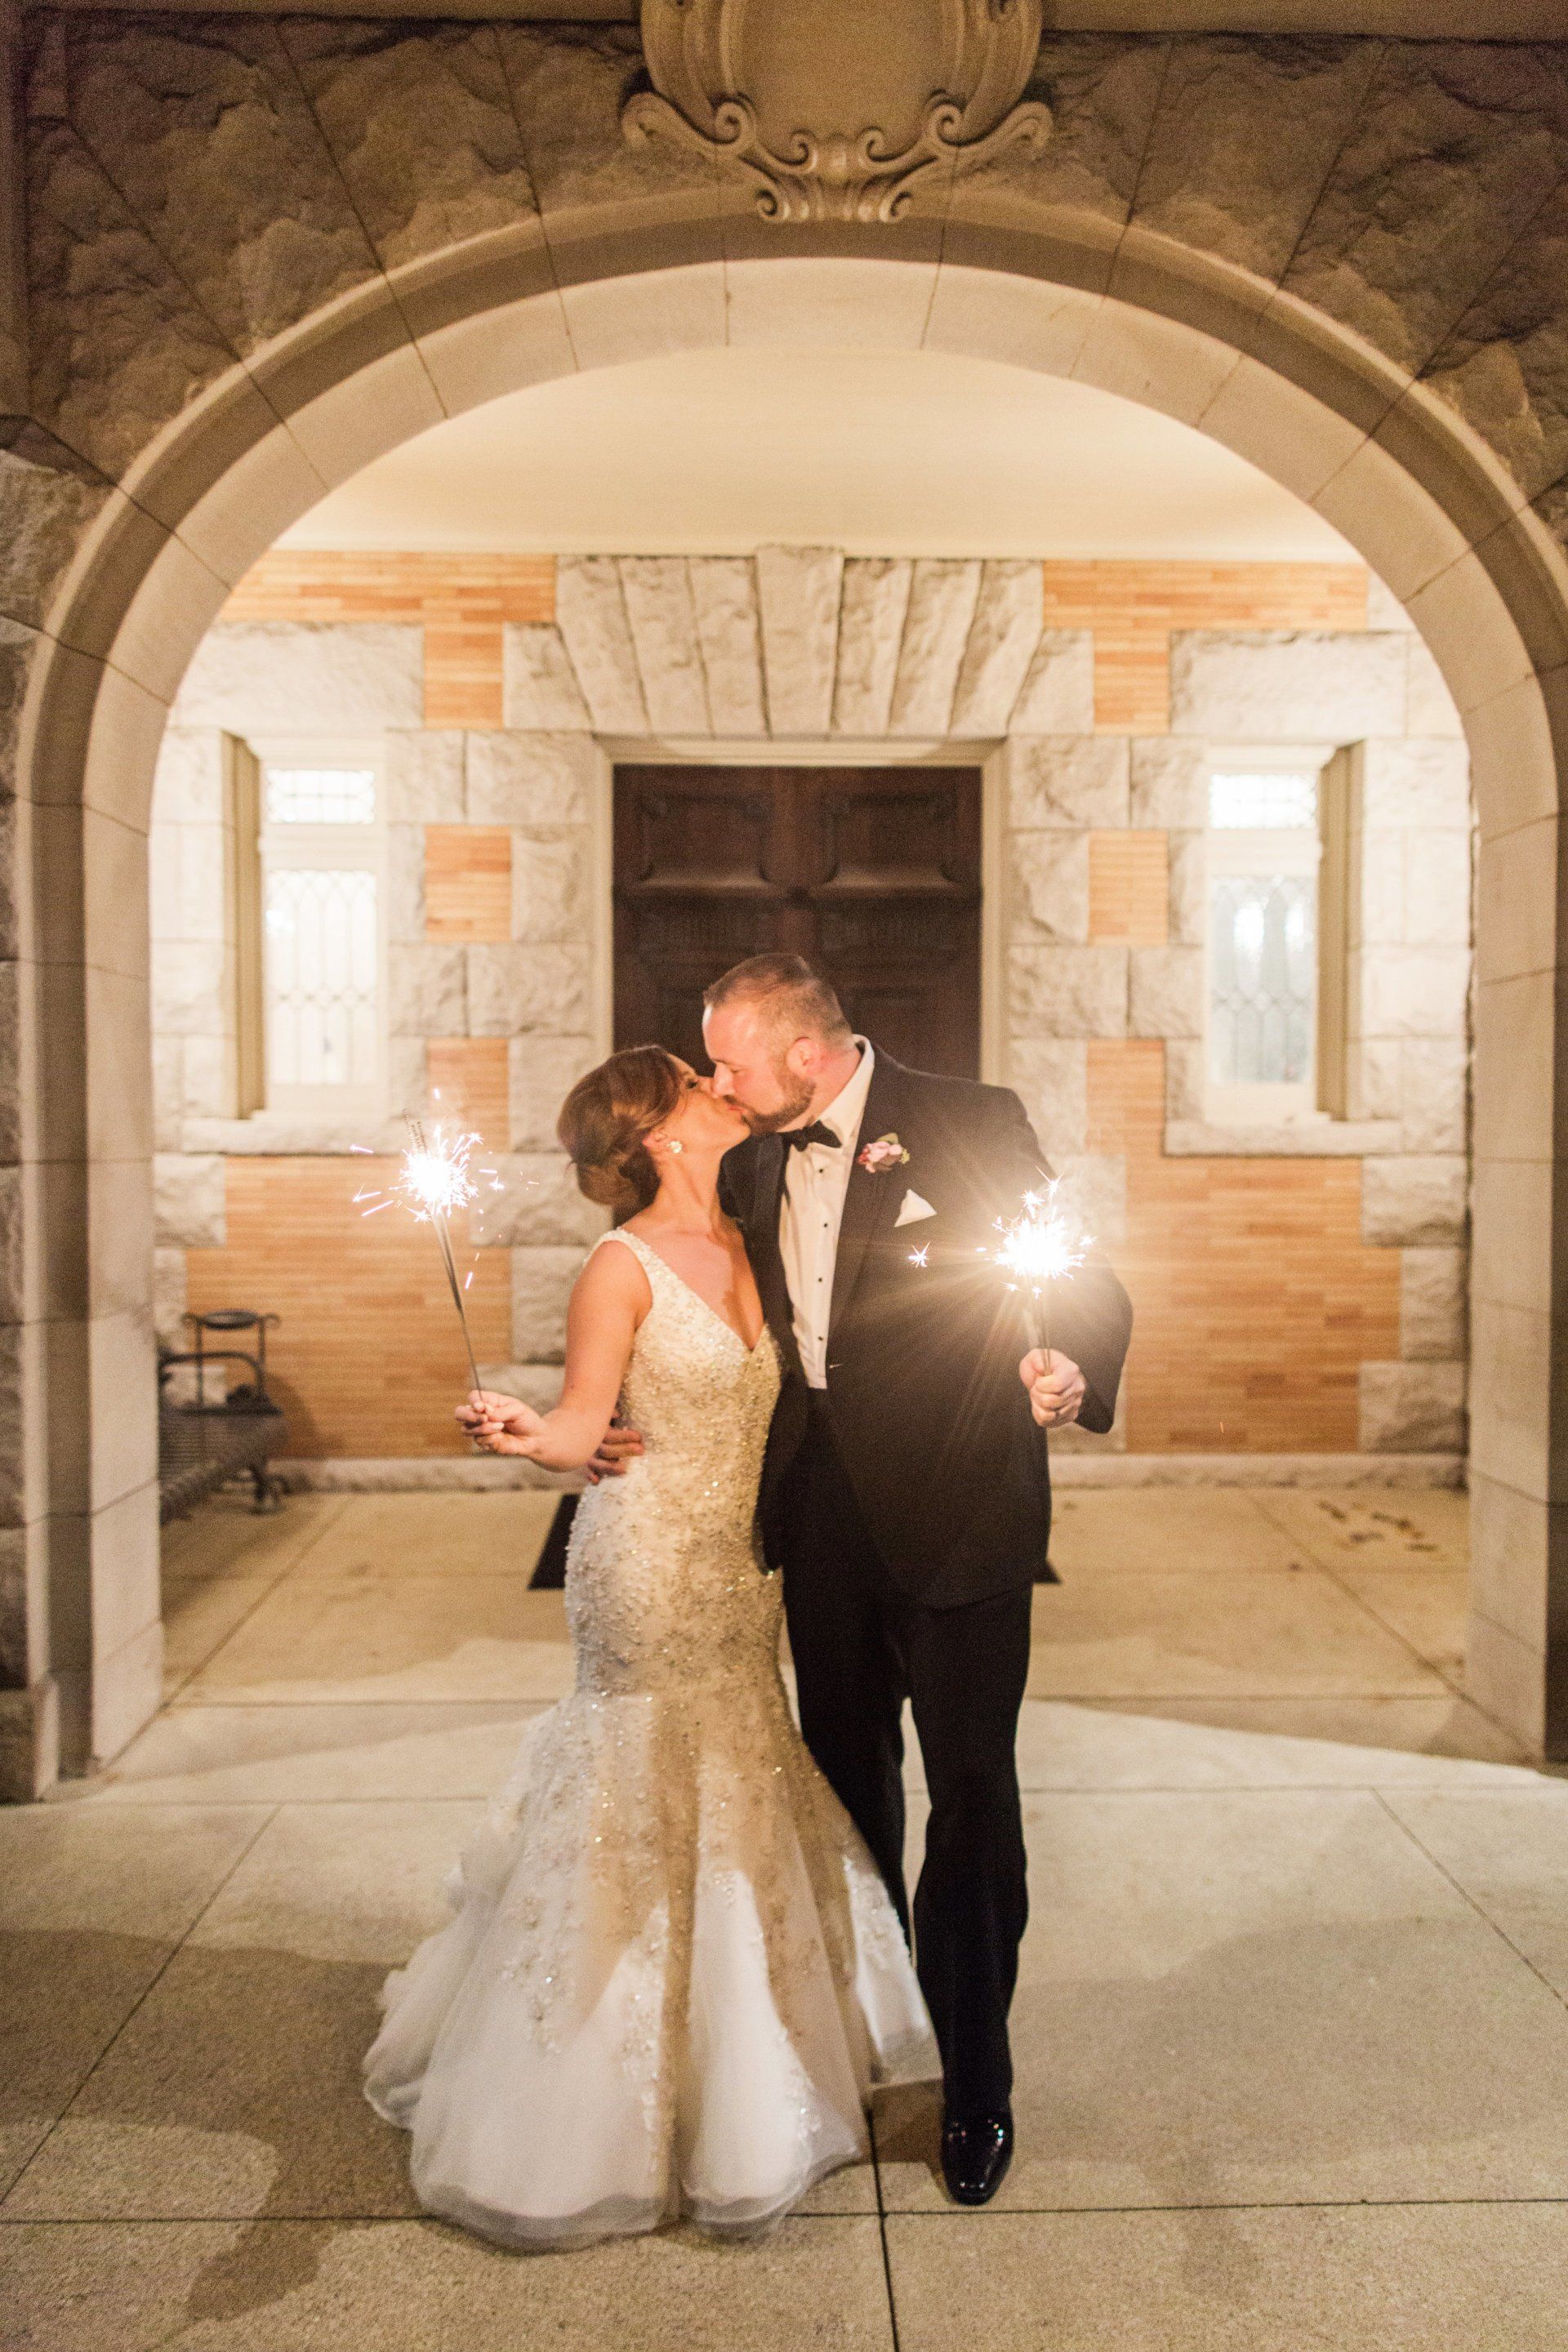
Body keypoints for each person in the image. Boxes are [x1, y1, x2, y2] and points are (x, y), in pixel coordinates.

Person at [363, 1044, 938, 2251]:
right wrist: (528, 1432)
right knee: (638, 1791)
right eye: (693, 1080)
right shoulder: (616, 1267)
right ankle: (593, 2096)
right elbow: (582, 1427)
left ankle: (742, 2058)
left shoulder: (757, 1238)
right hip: (643, 1569)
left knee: (741, 1777)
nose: (722, 1086)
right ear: (661, 1133)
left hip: (743, 1574)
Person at [592, 956, 1131, 2206]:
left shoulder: (969, 1118)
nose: (717, 1082)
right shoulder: (750, 1162)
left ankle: (977, 2085)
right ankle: (869, 2037)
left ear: (804, 1052)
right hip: (823, 1526)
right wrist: (618, 1407)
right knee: (845, 1798)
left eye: (729, 1060)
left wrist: (1067, 1361)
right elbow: (708, 1305)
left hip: (963, 1514)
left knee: (973, 1804)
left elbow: (1075, 1270)